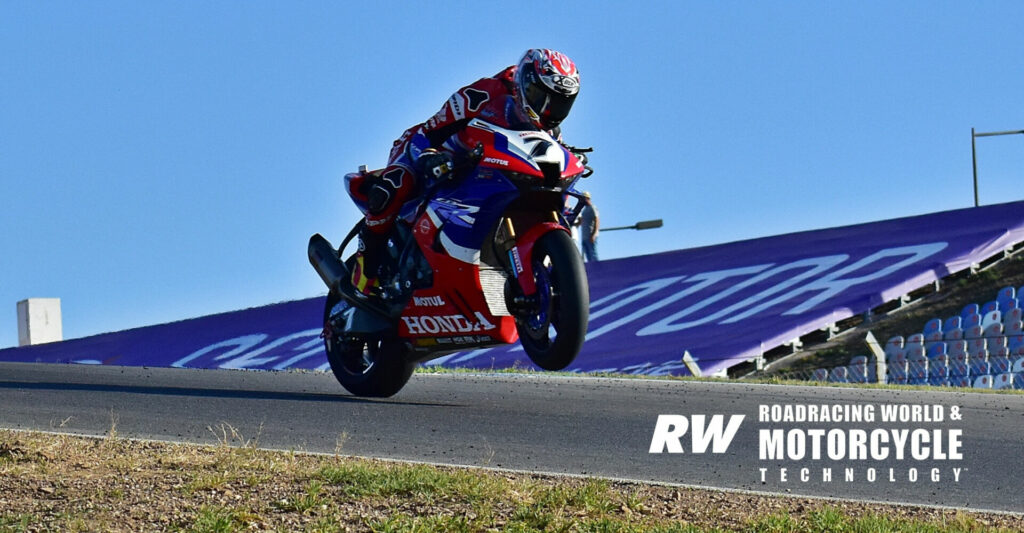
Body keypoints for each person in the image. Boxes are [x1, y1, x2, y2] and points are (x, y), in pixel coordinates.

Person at [346, 49, 582, 297]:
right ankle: (364, 272)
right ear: (524, 83)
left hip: (482, 172)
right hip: (430, 146)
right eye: (541, 97)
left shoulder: (549, 129)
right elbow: (428, 132)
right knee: (395, 184)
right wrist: (429, 156)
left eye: (559, 104)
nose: (549, 110)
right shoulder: (485, 93)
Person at [578, 191, 599, 262]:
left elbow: (597, 220)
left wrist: (594, 234)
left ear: (587, 198)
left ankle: (598, 269)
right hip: (584, 237)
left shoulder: (592, 208)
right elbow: (581, 222)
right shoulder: (584, 211)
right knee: (588, 256)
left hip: (590, 236)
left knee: (593, 254)